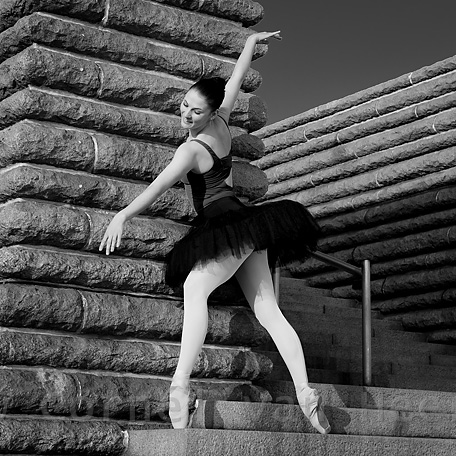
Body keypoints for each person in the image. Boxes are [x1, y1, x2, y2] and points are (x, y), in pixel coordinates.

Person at [99, 31, 331, 435]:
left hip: (225, 225)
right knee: (268, 311)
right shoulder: (222, 120)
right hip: (248, 224)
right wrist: (250, 43)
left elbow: (159, 186)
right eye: (184, 106)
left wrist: (122, 215)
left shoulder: (190, 150)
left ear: (209, 114)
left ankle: (179, 387)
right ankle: (305, 392)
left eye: (195, 112)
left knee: (195, 289)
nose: (186, 115)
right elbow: (236, 79)